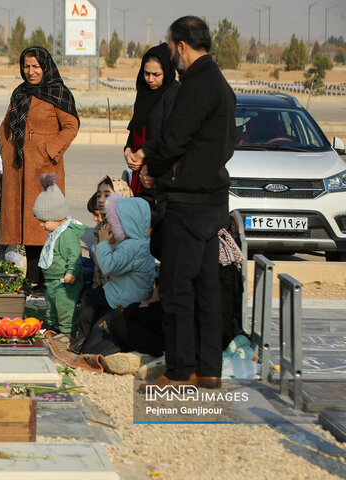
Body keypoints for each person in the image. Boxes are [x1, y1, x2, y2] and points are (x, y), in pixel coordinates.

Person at [135, 16, 236, 391]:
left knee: (178, 289)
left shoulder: (197, 84)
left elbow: (175, 139)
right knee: (207, 290)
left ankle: (179, 372)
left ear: (180, 46)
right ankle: (208, 370)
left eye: (170, 45)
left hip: (189, 203)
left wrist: (153, 170)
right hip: (212, 202)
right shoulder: (221, 83)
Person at [0, 46, 80, 289]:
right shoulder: (19, 93)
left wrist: (49, 150)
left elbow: (71, 125)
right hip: (19, 166)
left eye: (36, 66)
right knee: (25, 223)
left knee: (45, 220)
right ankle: (32, 277)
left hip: (45, 168)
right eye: (26, 66)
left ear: (45, 67)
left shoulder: (58, 92)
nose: (31, 71)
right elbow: (6, 124)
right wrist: (6, 149)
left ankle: (47, 277)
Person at [69, 193, 156, 357]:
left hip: (122, 297)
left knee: (89, 298)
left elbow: (108, 267)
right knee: (95, 296)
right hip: (127, 291)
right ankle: (87, 336)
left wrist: (102, 243)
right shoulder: (142, 242)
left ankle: (82, 338)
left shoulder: (131, 247)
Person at [32, 173, 86, 336]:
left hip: (64, 280)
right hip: (52, 279)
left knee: (65, 307)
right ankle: (54, 327)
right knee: (52, 305)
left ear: (56, 216)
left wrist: (71, 271)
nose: (41, 225)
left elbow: (74, 255)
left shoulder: (67, 235)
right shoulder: (55, 232)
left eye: (44, 220)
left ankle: (68, 331)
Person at [123, 43, 179, 199]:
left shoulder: (174, 94)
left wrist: (143, 152)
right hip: (138, 171)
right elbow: (136, 128)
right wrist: (128, 151)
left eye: (156, 74)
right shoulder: (144, 93)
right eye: (146, 73)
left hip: (160, 174)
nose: (150, 79)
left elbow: (171, 133)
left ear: (166, 72)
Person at [85, 175, 132, 289]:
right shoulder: (105, 224)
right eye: (98, 195)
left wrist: (102, 246)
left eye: (107, 195)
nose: (101, 200)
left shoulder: (123, 228)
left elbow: (111, 267)